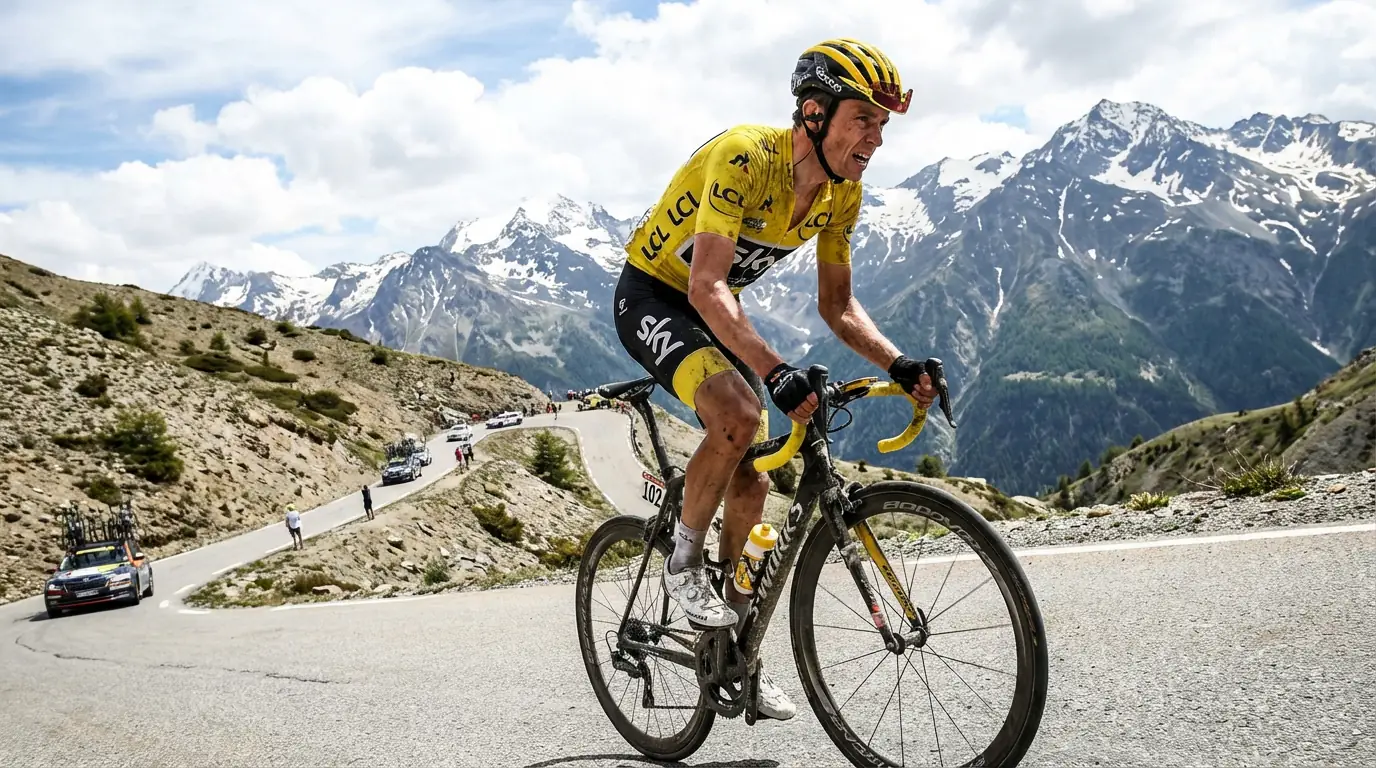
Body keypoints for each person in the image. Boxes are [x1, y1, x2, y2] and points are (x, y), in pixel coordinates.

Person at [611, 38, 939, 722]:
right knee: (739, 415)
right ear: (815, 114)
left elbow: (838, 306)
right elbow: (704, 286)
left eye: (883, 126)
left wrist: (898, 363)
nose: (875, 139)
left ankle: (733, 653)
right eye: (864, 120)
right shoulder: (745, 157)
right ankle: (681, 565)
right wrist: (775, 370)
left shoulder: (841, 192)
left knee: (755, 484)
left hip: (710, 309)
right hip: (654, 297)